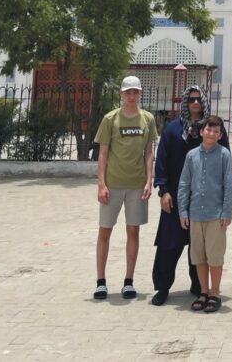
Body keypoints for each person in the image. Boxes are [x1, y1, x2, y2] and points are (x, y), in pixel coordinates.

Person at [150, 85, 231, 306]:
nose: (195, 103)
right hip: (177, 198)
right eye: (191, 99)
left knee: (201, 247)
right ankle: (162, 287)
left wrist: (225, 206)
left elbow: (226, 168)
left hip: (207, 202)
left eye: (198, 100)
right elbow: (162, 160)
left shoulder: (212, 128)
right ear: (185, 102)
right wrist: (163, 191)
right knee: (169, 244)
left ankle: (200, 288)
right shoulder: (173, 129)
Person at [93, 75, 157, 300]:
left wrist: (149, 181)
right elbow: (102, 153)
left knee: (133, 231)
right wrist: (101, 184)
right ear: (121, 93)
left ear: (140, 94)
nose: (132, 96)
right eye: (128, 92)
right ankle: (101, 281)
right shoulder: (111, 119)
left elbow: (149, 152)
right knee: (105, 231)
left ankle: (128, 281)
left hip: (136, 185)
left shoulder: (147, 119)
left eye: (135, 92)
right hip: (113, 184)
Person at [178, 115, 232, 313]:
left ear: (220, 135)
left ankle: (215, 293)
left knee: (215, 256)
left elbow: (229, 185)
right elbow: (184, 184)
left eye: (216, 131)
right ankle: (203, 291)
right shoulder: (191, 155)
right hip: (195, 214)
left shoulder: (224, 155)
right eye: (208, 129)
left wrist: (226, 211)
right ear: (201, 131)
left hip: (215, 215)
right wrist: (183, 210)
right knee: (199, 256)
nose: (212, 133)